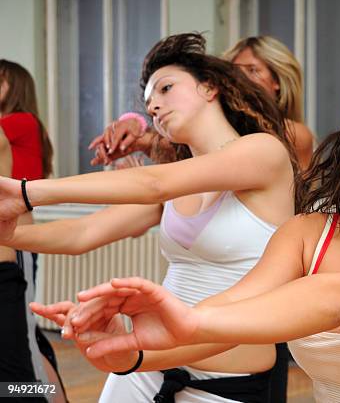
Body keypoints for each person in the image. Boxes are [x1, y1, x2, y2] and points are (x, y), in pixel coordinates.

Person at [15, 45, 340, 402]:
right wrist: (133, 349)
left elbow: (336, 300)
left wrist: (185, 320)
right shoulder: (306, 235)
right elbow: (233, 315)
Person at [0, 33, 299, 403]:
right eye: (149, 102)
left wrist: (27, 192)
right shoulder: (179, 176)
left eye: (166, 89)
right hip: (146, 368)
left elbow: (152, 182)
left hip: (228, 379)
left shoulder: (263, 152)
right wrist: (8, 235)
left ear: (210, 88)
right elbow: (83, 232)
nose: (154, 107)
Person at [90, 35, 313, 171]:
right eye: (235, 71)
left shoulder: (294, 134)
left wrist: (141, 137)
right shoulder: (217, 135)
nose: (242, 78)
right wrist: (133, 124)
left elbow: (197, 157)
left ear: (278, 81)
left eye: (253, 70)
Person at [0, 59, 65, 402]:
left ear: (15, 86)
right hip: (14, 243)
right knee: (24, 337)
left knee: (24, 339)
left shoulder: (21, 122)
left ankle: (44, 397)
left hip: (18, 246)